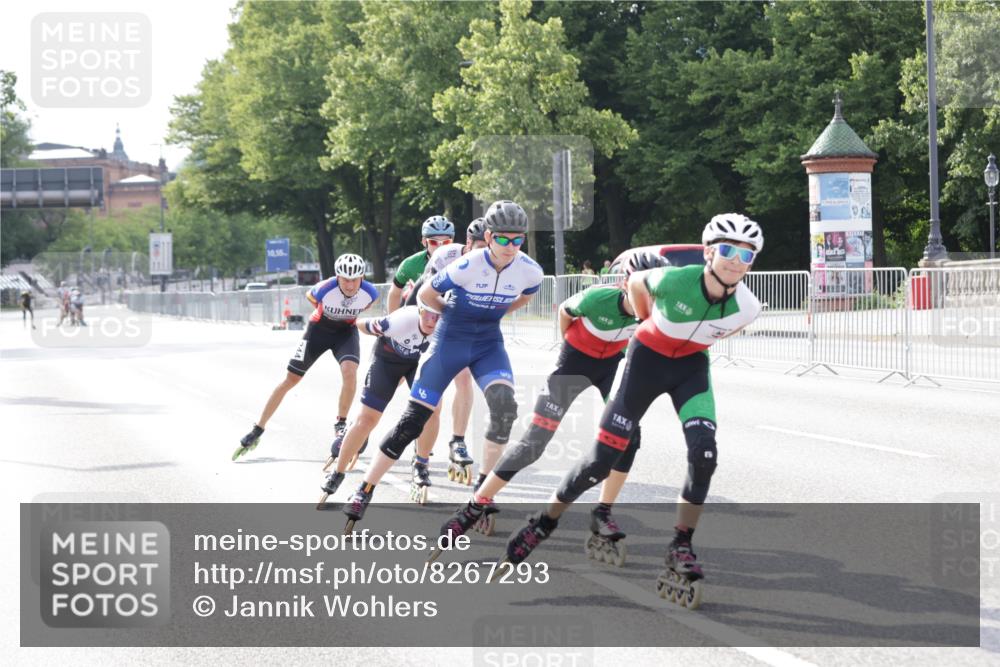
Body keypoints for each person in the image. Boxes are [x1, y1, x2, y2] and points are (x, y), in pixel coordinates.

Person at [491, 213, 764, 608]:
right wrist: (645, 319)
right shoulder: (673, 280)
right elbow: (637, 282)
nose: (736, 261)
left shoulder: (748, 306)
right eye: (727, 250)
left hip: (690, 370)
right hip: (646, 363)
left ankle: (680, 545)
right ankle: (544, 521)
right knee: (601, 463)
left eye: (746, 255)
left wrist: (689, 343)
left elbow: (717, 334)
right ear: (708, 252)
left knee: (705, 454)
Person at [435, 251, 668, 556]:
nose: (651, 298)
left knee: (630, 436)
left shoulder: (656, 314)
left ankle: (603, 512)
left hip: (610, 367)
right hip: (573, 364)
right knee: (534, 443)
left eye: (657, 290)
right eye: (645, 288)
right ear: (627, 283)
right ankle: (474, 505)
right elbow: (565, 313)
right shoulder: (598, 299)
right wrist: (568, 348)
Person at [341, 201, 543, 530]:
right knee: (413, 422)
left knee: (505, 409)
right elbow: (426, 293)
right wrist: (445, 315)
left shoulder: (530, 270)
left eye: (517, 240)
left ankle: (481, 494)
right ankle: (365, 489)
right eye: (503, 240)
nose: (510, 247)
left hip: (488, 345)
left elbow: (526, 296)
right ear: (489, 237)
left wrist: (498, 312)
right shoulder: (467, 264)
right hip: (450, 341)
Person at [233, 253, 378, 460]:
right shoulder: (325, 288)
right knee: (291, 380)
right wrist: (328, 314)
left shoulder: (370, 292)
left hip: (345, 332)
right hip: (318, 330)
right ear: (337, 277)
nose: (349, 284)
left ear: (362, 278)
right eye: (345, 279)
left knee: (350, 371)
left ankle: (341, 423)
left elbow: (367, 305)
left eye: (355, 279)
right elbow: (310, 297)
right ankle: (258, 428)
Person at [317, 299, 441, 507]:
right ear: (419, 311)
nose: (431, 321)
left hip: (418, 365)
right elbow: (362, 325)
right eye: (427, 314)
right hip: (387, 362)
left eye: (437, 316)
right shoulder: (399, 321)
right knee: (366, 420)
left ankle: (421, 463)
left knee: (433, 410)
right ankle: (338, 472)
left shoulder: (447, 328)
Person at [402, 218, 490, 482]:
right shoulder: (446, 256)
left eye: (487, 248)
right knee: (434, 403)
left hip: (458, 326)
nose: (482, 255)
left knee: (464, 378)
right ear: (467, 243)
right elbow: (421, 293)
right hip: (430, 317)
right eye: (478, 247)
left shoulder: (494, 264)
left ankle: (458, 441)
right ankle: (421, 460)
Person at [387, 216, 454, 313]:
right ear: (424, 242)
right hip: (419, 311)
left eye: (446, 242)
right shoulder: (410, 264)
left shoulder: (461, 261)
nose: (440, 247)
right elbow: (394, 293)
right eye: (433, 242)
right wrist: (391, 322)